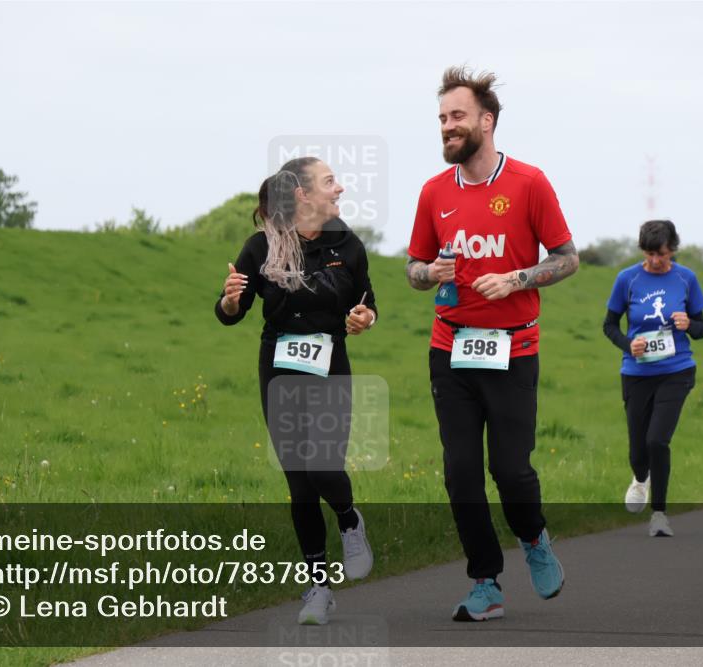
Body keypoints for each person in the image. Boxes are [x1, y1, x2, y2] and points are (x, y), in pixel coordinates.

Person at [405, 66, 579, 622]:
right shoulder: (434, 192)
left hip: (512, 350)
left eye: (456, 116)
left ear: (487, 120)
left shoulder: (529, 183)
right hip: (450, 348)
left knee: (510, 470)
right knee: (460, 472)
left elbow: (567, 258)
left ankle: (534, 539)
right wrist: (428, 273)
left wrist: (518, 279)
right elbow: (413, 267)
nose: (446, 126)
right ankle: (485, 582)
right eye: (441, 118)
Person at [215, 156, 377, 625]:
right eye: (330, 182)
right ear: (302, 194)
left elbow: (367, 303)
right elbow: (231, 311)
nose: (339, 188)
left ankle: (348, 518)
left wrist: (364, 318)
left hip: (330, 363)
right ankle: (318, 588)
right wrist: (230, 301)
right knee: (299, 483)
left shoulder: (347, 244)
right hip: (279, 366)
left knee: (323, 467)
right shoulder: (261, 246)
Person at [603, 219, 703, 537]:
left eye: (661, 254)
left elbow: (702, 329)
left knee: (657, 441)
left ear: (672, 249)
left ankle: (659, 515)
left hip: (676, 371)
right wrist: (628, 344)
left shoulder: (686, 279)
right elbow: (609, 325)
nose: (655, 260)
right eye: (649, 254)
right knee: (638, 452)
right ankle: (640, 479)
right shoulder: (627, 279)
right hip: (637, 374)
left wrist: (688, 324)